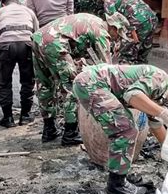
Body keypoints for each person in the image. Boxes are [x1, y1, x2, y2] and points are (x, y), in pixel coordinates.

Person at [73, 64, 168, 194]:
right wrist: (163, 112)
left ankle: (120, 177)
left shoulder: (160, 94)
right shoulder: (160, 80)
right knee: (125, 129)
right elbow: (132, 95)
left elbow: (156, 126)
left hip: (92, 84)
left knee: (127, 127)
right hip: (90, 84)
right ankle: (116, 186)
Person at [31, 13, 112, 146]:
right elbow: (107, 69)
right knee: (71, 87)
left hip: (38, 38)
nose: (113, 41)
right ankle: (70, 133)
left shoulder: (90, 20)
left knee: (45, 84)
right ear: (113, 28)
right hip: (55, 43)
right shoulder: (101, 32)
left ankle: (49, 129)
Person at [0, 0, 38, 128]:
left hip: (5, 46)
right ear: (18, 2)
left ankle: (8, 118)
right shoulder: (29, 11)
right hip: (26, 44)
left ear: (3, 4)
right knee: (27, 82)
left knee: (4, 83)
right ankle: (26, 116)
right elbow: (37, 32)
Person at [96, 0, 158, 64]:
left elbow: (115, 26)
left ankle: (127, 74)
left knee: (126, 58)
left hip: (137, 23)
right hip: (152, 20)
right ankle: (142, 74)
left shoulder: (109, 1)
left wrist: (116, 43)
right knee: (141, 57)